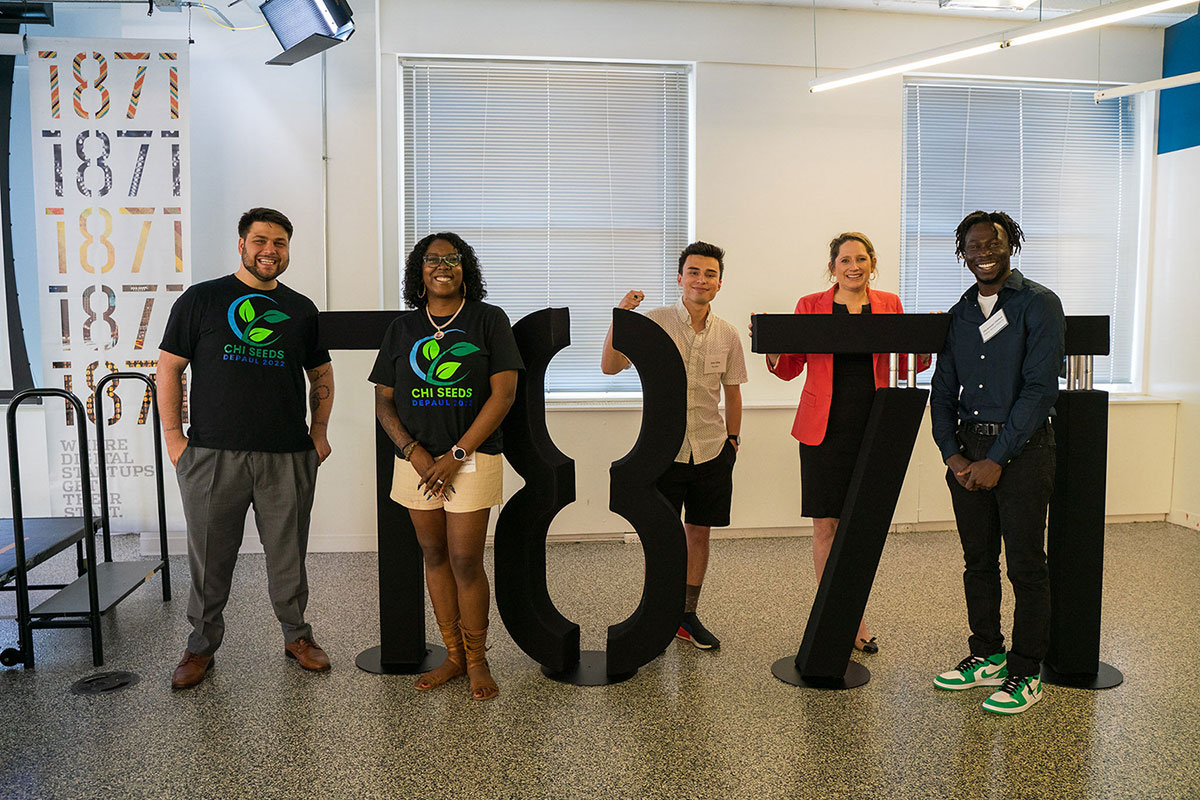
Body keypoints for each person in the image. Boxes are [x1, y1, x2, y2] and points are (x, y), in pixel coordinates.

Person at [157, 207, 335, 690]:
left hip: (287, 455)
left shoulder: (301, 309)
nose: (269, 251)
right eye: (260, 240)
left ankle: (297, 637)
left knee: (288, 555)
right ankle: (200, 647)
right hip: (213, 455)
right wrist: (175, 440)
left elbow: (320, 374)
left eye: (279, 243)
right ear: (241, 244)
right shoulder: (203, 299)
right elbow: (169, 368)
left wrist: (318, 434)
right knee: (210, 557)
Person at [370, 232, 521, 701]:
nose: (443, 266)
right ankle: (453, 656)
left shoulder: (488, 320)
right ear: (420, 272)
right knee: (433, 555)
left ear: (465, 269)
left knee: (465, 559)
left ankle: (477, 660)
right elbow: (384, 401)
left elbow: (504, 395)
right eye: (433, 260)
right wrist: (412, 452)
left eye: (453, 259)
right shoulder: (402, 330)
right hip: (416, 463)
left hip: (472, 458)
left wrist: (456, 455)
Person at [764, 232, 927, 654]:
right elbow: (789, 368)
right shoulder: (810, 305)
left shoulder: (889, 303)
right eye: (844, 260)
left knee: (861, 526)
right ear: (832, 266)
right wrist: (771, 345)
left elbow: (906, 359)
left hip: (877, 427)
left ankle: (850, 610)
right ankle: (837, 616)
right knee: (826, 524)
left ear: (872, 263)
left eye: (861, 258)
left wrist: (928, 337)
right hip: (824, 430)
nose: (853, 266)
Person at [929, 210, 1064, 715]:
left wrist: (998, 457)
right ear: (962, 251)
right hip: (968, 451)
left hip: (1024, 452)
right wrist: (953, 454)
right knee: (978, 561)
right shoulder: (961, 312)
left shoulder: (1039, 305)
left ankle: (1027, 671)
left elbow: (1039, 389)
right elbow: (942, 391)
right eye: (974, 245)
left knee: (1026, 565)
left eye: (994, 243)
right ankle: (986, 653)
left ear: (1012, 246)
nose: (984, 252)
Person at [601, 241, 747, 650]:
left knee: (698, 533)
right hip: (661, 451)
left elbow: (732, 393)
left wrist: (733, 441)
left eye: (710, 274)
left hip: (712, 449)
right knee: (660, 532)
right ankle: (655, 612)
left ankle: (685, 615)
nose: (701, 280)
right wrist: (621, 317)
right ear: (680, 277)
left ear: (719, 284)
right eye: (694, 272)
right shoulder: (655, 321)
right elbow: (610, 366)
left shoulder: (728, 335)